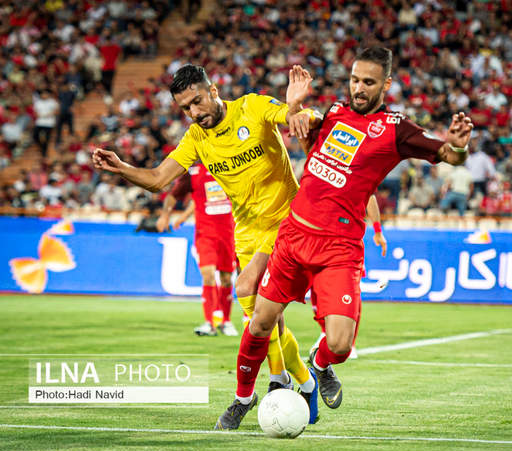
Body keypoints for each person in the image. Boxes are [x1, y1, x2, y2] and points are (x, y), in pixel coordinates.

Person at [217, 47, 473, 429]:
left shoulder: (396, 129)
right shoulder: (334, 113)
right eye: (355, 80)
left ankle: (320, 364)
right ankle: (242, 399)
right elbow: (308, 143)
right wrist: (294, 107)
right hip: (294, 235)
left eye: (368, 82)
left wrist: (459, 146)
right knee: (259, 323)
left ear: (386, 84)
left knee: (339, 345)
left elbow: (450, 156)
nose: (359, 88)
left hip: (339, 248)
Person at [92, 64, 319, 423]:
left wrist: (298, 108)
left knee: (247, 290)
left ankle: (269, 386)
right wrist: (121, 167)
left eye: (197, 101)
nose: (194, 112)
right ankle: (304, 383)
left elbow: (297, 117)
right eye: (185, 108)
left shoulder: (252, 107)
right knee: (263, 319)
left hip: (285, 222)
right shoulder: (196, 138)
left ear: (213, 90)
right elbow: (158, 179)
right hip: (245, 233)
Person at [156, 163, 237, 337]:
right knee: (208, 274)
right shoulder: (194, 173)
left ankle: (226, 321)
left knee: (226, 278)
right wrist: (165, 215)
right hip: (205, 234)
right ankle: (209, 323)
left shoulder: (231, 166)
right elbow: (174, 195)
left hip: (228, 233)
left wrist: (185, 215)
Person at [310, 194, 387, 360]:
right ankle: (325, 331)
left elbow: (370, 196)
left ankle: (350, 342)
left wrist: (377, 230)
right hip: (320, 238)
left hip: (348, 242)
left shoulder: (359, 180)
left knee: (351, 290)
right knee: (316, 286)